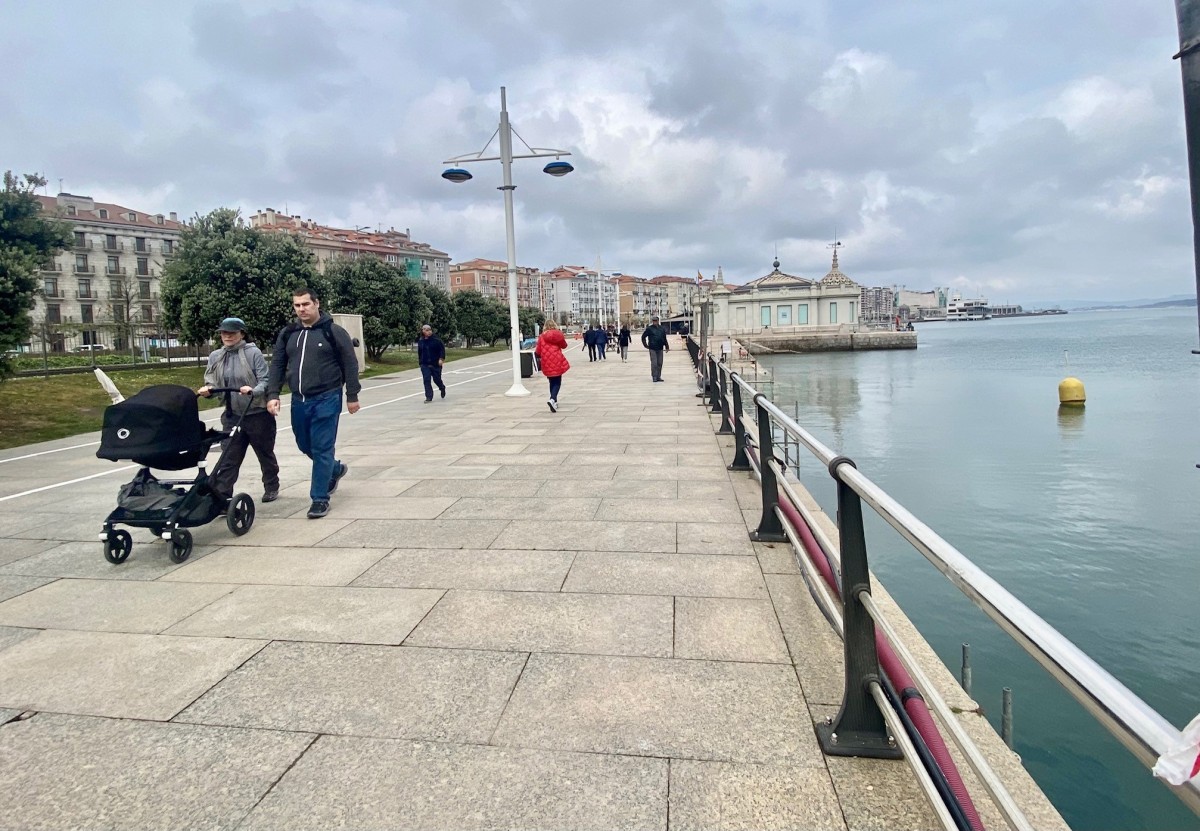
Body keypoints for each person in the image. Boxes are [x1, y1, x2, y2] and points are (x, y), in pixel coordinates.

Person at [267, 287, 361, 519]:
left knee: (321, 448)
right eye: (297, 305)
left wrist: (352, 395)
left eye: (305, 304)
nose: (301, 309)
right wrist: (273, 394)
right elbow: (277, 364)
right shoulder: (288, 333)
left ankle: (319, 499)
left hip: (327, 398)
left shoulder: (333, 332)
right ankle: (335, 469)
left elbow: (350, 363)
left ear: (316, 304)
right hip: (300, 400)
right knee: (304, 444)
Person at [198, 317, 279, 504]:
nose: (227, 336)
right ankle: (222, 496)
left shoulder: (253, 353)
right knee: (229, 457)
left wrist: (254, 391)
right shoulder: (216, 356)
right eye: (224, 333)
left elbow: (265, 380)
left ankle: (271, 485)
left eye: (232, 333)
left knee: (264, 453)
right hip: (232, 415)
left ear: (241, 334)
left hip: (257, 414)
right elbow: (211, 380)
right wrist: (208, 390)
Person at [535, 320, 570, 412]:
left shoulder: (542, 336)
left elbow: (538, 351)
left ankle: (554, 401)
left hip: (546, 361)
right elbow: (564, 346)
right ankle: (552, 399)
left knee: (551, 381)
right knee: (557, 381)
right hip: (557, 359)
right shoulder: (558, 335)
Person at [417, 323, 447, 403]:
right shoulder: (421, 341)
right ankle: (429, 397)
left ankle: (442, 387)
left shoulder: (436, 340)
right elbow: (420, 352)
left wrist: (441, 359)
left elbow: (442, 350)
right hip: (425, 364)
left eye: (429, 330)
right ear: (423, 331)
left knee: (437, 379)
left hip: (435, 364)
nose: (428, 332)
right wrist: (420, 362)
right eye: (426, 330)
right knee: (426, 380)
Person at [641, 313, 670, 382]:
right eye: (653, 321)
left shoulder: (661, 329)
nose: (655, 322)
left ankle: (658, 376)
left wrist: (667, 346)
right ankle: (654, 376)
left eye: (656, 320)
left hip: (660, 348)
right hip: (652, 348)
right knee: (654, 363)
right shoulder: (649, 329)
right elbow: (643, 337)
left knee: (660, 363)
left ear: (658, 321)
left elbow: (664, 338)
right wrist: (645, 345)